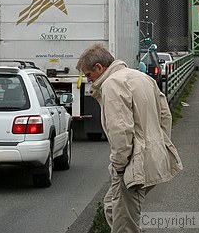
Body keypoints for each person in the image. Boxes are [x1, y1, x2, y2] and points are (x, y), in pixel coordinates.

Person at [77, 43, 183, 233]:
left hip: (135, 163)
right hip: (154, 156)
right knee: (112, 206)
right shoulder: (141, 77)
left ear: (99, 67)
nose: (89, 80)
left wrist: (119, 166)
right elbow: (165, 114)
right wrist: (160, 142)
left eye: (88, 74)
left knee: (125, 224)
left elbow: (120, 131)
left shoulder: (112, 84)